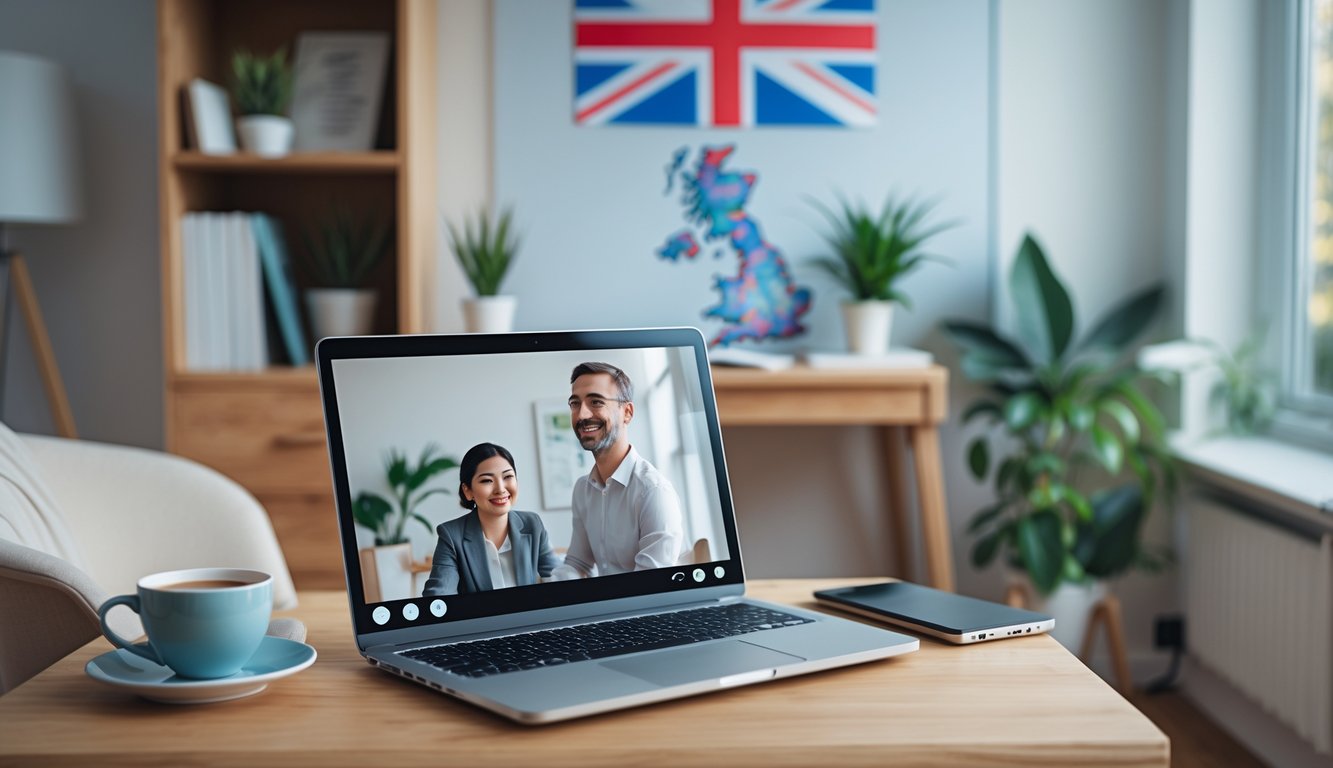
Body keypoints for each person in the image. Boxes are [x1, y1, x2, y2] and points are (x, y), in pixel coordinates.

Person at [552, 361, 684, 579]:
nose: (582, 415)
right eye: (575, 404)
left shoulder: (653, 491)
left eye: (596, 402)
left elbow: (651, 585)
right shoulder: (582, 489)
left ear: (627, 412)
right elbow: (578, 563)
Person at [422, 442, 560, 596]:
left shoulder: (532, 524)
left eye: (508, 476)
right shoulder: (451, 535)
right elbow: (439, 597)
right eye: (487, 480)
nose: (500, 489)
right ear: (467, 491)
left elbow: (559, 580)